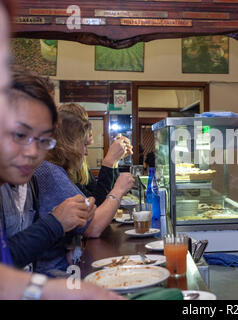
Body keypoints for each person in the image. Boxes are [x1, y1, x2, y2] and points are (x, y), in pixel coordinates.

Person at [0, 0, 122, 299]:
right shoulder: (44, 171)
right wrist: (56, 223)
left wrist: (50, 290)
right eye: (20, 135)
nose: (32, 153)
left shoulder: (25, 179)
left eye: (43, 140)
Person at [33, 104, 135, 275]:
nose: (86, 152)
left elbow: (92, 205)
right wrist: (118, 190)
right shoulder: (50, 172)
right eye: (84, 145)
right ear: (70, 144)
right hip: (55, 274)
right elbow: (93, 227)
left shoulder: (54, 170)